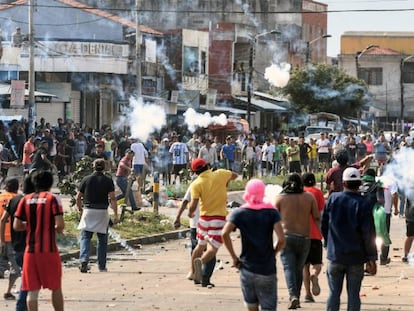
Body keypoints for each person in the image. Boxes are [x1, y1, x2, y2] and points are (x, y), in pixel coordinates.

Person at [222, 179, 286, 311]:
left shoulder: (239, 213)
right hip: (267, 269)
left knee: (251, 307)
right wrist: (273, 253)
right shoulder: (271, 212)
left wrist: (234, 257)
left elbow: (224, 233)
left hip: (247, 269)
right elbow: (281, 239)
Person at [322, 167, 377, 311]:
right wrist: (371, 258)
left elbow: (324, 225)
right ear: (359, 183)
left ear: (344, 183)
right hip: (356, 258)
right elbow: (368, 233)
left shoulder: (333, 199)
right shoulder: (363, 203)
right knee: (353, 294)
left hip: (335, 256)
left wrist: (328, 244)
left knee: (334, 293)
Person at [13, 170, 65, 311]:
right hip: (48, 250)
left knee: (32, 290)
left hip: (30, 251)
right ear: (50, 183)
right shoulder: (52, 198)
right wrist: (48, 226)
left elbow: (17, 225)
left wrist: (30, 225)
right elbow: (60, 226)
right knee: (55, 287)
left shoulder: (25, 199)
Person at [188, 158, 238, 285]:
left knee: (200, 246)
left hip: (204, 219)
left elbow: (193, 204)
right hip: (218, 219)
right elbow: (235, 175)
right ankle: (201, 262)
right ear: (208, 166)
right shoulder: (220, 174)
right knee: (212, 248)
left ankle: (194, 273)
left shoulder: (196, 183)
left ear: (195, 172)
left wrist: (190, 212)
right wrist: (225, 181)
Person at [274, 173, 320, 309]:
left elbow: (271, 219)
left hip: (286, 238)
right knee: (299, 269)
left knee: (289, 268)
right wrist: (323, 236)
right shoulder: (309, 197)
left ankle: (293, 295)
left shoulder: (280, 198)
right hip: (305, 238)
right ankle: (297, 297)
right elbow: (317, 218)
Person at [76, 159, 118, 273]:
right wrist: (115, 214)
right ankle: (102, 265)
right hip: (102, 212)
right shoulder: (108, 180)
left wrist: (80, 209)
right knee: (102, 239)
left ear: (93, 167)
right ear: (104, 167)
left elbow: (78, 197)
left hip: (88, 210)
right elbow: (113, 198)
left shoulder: (86, 179)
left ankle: (84, 259)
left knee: (85, 237)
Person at [173, 177, 216, 287]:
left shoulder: (193, 185)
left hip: (195, 224)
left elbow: (184, 202)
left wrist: (177, 217)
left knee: (195, 249)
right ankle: (205, 277)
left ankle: (194, 273)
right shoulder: (213, 186)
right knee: (210, 251)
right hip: (209, 223)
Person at [1, 176, 35, 311]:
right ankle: (14, 292)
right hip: (16, 239)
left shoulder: (5, 198)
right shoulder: (20, 200)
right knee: (18, 268)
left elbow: (3, 220)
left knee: (9, 265)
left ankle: (10, 291)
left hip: (3, 236)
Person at [301, 173, 325, 303]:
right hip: (315, 233)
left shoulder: (300, 193)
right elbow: (320, 211)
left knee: (305, 266)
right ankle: (315, 275)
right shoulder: (318, 192)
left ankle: (307, 294)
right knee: (317, 264)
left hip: (302, 234)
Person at [0, 179, 19, 300]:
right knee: (16, 265)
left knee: (2, 260)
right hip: (14, 236)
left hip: (1, 235)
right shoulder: (17, 199)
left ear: (5, 186)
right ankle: (8, 291)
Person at [402, 198, 414, 263]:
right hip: (411, 216)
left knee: (410, 236)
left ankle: (406, 255)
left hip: (410, 215)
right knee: (410, 236)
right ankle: (406, 255)